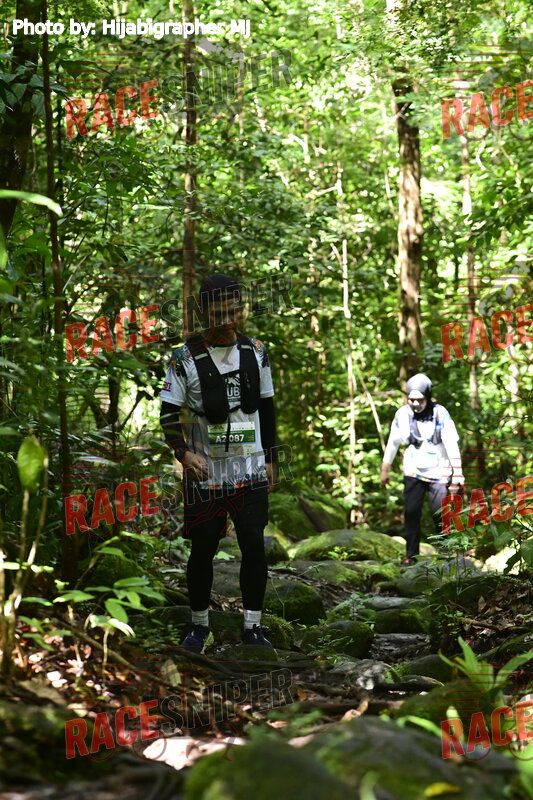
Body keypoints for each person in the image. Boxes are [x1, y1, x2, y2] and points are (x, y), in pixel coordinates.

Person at [160, 274, 277, 653]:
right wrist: (183, 453)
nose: (227, 320)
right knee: (203, 548)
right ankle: (199, 625)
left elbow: (268, 408)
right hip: (205, 473)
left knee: (254, 546)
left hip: (250, 471)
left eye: (234, 311)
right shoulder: (183, 358)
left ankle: (253, 626)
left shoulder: (256, 351)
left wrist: (271, 458)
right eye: (218, 313)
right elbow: (167, 414)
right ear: (203, 312)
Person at [380, 373, 464, 566]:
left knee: (440, 514)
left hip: (439, 473)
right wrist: (385, 469)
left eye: (420, 400)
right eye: (411, 399)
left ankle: (445, 554)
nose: (415, 404)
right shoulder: (402, 415)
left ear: (428, 397)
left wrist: (458, 473)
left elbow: (451, 444)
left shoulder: (440, 413)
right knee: (411, 513)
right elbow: (393, 443)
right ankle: (411, 557)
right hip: (413, 472)